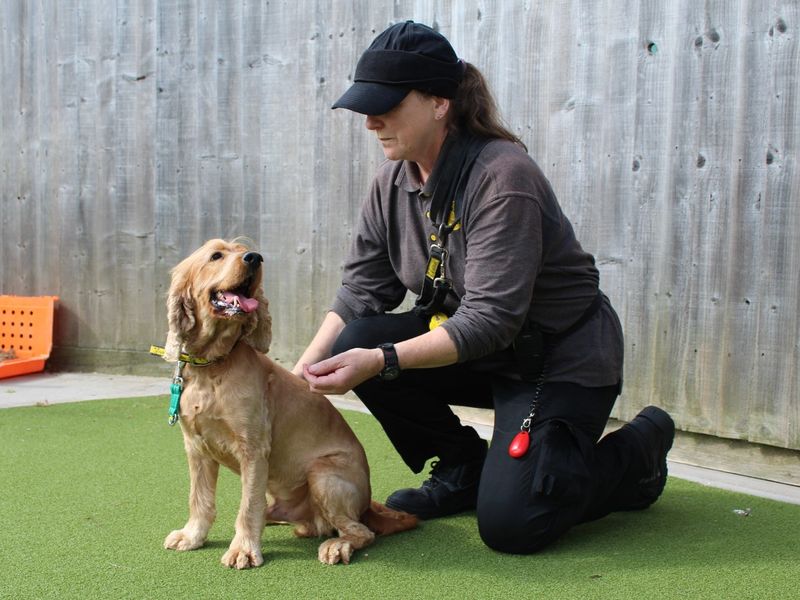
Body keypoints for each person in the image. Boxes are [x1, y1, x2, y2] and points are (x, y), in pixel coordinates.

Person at [292, 20, 675, 554]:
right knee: (352, 339)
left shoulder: (503, 177)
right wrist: (297, 378)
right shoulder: (392, 182)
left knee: (514, 524)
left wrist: (382, 360)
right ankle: (463, 469)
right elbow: (361, 290)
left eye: (386, 104)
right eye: (364, 105)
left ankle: (637, 453)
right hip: (479, 351)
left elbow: (491, 318)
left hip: (558, 360)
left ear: (439, 102)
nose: (369, 121)